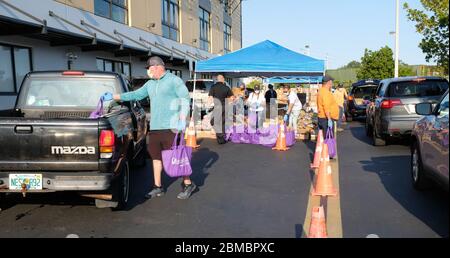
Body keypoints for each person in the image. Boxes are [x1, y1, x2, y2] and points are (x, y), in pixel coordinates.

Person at [104, 56, 197, 200]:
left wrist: (182, 118)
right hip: (155, 127)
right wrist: (115, 96)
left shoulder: (174, 80)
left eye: (149, 68)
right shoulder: (150, 84)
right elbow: (135, 94)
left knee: (178, 157)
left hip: (172, 127)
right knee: (155, 157)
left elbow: (185, 99)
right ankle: (157, 186)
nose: (148, 71)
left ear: (157, 67)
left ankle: (188, 183)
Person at [208, 74, 234, 144]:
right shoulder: (226, 87)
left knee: (213, 121)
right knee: (222, 122)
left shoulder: (213, 87)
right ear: (222, 79)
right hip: (225, 106)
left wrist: (210, 105)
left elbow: (210, 97)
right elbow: (232, 98)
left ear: (217, 79)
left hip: (217, 107)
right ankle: (221, 139)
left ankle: (220, 137)